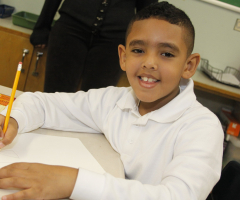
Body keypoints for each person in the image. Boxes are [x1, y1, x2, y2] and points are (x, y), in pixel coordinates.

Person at [0, 2, 223, 200]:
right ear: (123, 57)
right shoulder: (114, 100)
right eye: (138, 50)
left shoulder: (202, 127)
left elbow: (179, 196)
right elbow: (44, 104)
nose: (149, 63)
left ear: (189, 66)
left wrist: (72, 182)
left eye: (166, 54)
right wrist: (14, 120)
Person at [30, 0, 157, 92]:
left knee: (96, 104)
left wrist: (144, 49)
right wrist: (42, 27)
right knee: (55, 96)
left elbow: (147, 8)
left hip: (114, 39)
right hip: (70, 28)